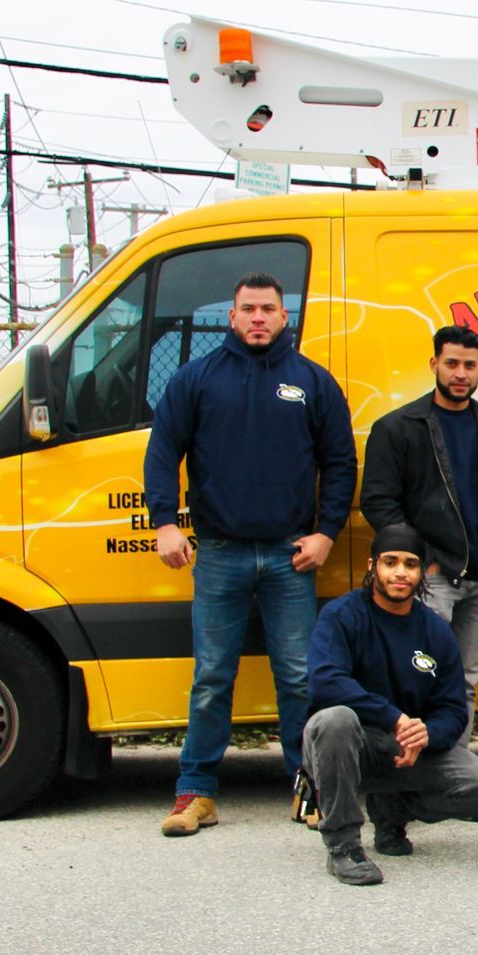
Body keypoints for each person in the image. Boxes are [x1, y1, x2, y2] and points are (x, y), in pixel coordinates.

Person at [148, 271, 356, 839]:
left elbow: (340, 462)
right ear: (233, 317)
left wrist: (326, 534)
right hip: (218, 553)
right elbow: (163, 451)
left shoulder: (312, 382)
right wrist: (166, 523)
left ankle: (307, 787)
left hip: (292, 557)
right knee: (212, 676)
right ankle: (196, 792)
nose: (259, 317)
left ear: (285, 317)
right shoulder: (197, 379)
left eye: (269, 308)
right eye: (249, 308)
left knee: (296, 677)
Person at [301, 525, 478, 885]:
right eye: (390, 562)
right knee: (334, 719)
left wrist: (425, 734)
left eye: (410, 564)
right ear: (372, 566)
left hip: (406, 750)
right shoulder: (342, 615)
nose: (400, 572)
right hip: (349, 744)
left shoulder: (435, 630)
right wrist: (394, 719)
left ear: (421, 572)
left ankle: (393, 809)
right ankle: (343, 846)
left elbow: (453, 709)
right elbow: (325, 682)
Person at [359, 325, 478, 744]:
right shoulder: (398, 428)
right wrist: (419, 559)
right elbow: (379, 502)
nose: (460, 373)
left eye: (470, 365)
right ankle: (411, 769)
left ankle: (456, 768)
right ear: (434, 364)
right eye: (451, 363)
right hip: (430, 578)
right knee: (419, 675)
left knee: (466, 678)